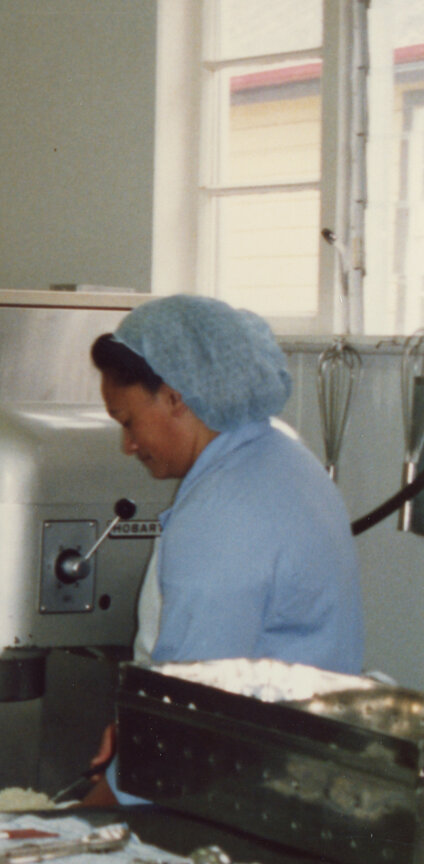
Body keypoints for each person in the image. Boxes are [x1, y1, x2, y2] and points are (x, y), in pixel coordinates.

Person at [84, 295, 365, 805]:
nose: (127, 445)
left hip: (247, 790)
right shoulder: (281, 461)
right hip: (300, 770)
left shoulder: (224, 509)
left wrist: (84, 817)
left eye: (127, 421)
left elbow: (191, 707)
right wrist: (135, 728)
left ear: (174, 397)